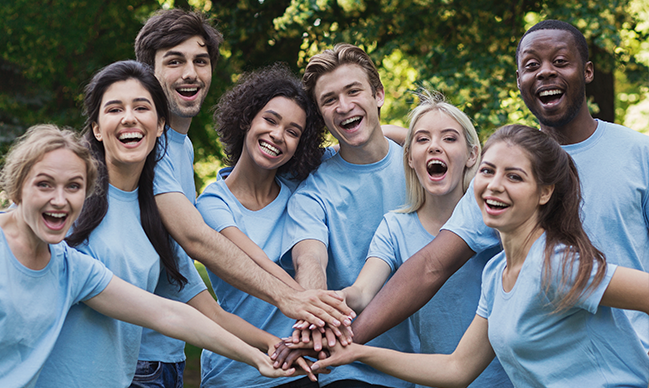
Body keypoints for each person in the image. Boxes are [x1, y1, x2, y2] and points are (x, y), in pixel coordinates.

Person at [351, 19, 649, 352]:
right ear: (519, 81)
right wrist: (345, 341)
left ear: (588, 71)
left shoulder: (638, 153)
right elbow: (431, 266)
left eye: (561, 62)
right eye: (531, 65)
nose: (546, 72)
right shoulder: (503, 174)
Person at [304, 124, 649, 387]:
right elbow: (457, 369)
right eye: (488, 171)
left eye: (514, 176)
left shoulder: (557, 264)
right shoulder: (497, 273)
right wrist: (358, 352)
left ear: (544, 193)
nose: (495, 185)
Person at [0, 124, 293, 388]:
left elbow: (169, 314)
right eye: (44, 185)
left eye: (73, 186)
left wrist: (256, 357)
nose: (60, 200)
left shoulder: (70, 268)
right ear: (18, 188)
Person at [132, 11, 353, 384]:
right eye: (174, 61)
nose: (190, 73)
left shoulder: (180, 149)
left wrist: (280, 342)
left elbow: (191, 289)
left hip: (166, 357)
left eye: (200, 61)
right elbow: (198, 239)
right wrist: (293, 298)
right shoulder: (149, 148)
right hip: (138, 360)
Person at [340, 91, 511, 387]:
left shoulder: (494, 216)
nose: (435, 147)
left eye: (449, 138)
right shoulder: (394, 227)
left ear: (472, 155)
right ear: (408, 157)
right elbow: (362, 293)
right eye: (422, 140)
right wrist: (327, 304)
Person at [278, 43, 419, 388]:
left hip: (434, 360)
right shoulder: (312, 190)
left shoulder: (424, 164)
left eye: (353, 91)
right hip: (352, 369)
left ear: (379, 95)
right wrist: (316, 311)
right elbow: (309, 259)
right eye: (329, 100)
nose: (344, 106)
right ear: (321, 117)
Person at [195, 63, 330, 388]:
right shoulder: (212, 203)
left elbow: (364, 142)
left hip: (299, 371)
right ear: (247, 119)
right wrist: (319, 309)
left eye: (293, 132)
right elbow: (257, 262)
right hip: (236, 373)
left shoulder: (302, 189)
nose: (277, 136)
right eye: (270, 120)